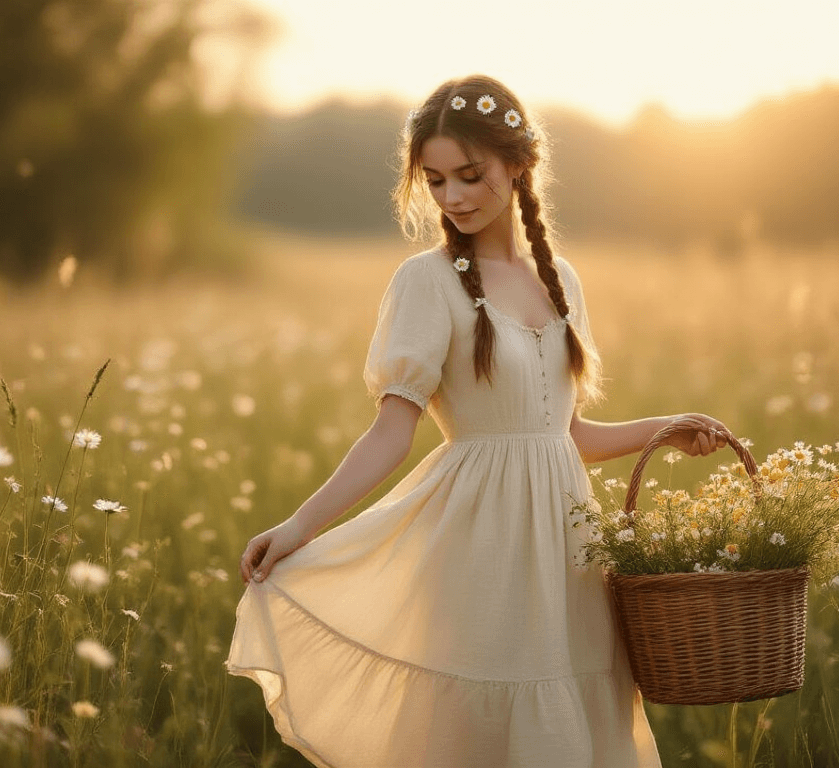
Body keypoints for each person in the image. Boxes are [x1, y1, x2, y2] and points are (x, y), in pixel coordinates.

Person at [227, 74, 729, 768]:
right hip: (479, 546)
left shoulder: (561, 280)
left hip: (570, 550)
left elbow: (563, 437)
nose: (453, 197)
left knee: (574, 713)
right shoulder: (426, 281)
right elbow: (391, 433)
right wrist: (298, 527)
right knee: (476, 723)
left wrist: (665, 429)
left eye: (469, 175)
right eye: (435, 181)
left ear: (518, 164)